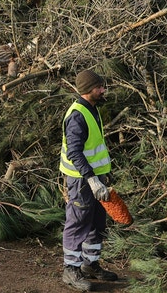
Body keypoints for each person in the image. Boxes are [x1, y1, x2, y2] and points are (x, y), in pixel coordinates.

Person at [60, 69, 118, 291]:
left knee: (96, 222)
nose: (103, 90)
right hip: (81, 180)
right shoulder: (77, 115)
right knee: (78, 222)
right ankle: (70, 269)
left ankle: (90, 264)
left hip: (95, 177)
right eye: (99, 87)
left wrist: (102, 176)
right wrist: (92, 179)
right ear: (87, 90)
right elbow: (75, 152)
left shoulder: (92, 109)